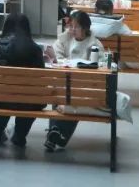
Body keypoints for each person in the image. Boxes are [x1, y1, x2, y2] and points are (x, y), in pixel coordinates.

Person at [43, 11, 106, 152]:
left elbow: (101, 65)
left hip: (83, 86)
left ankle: (55, 132)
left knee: (74, 100)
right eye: (70, 26)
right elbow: (56, 56)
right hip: (63, 81)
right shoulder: (64, 39)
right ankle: (56, 134)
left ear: (85, 28)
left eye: (76, 27)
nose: (72, 30)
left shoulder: (95, 45)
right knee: (59, 93)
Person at [0, 13, 45, 147]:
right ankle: (20, 134)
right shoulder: (35, 49)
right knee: (31, 96)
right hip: (28, 102)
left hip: (0, 100)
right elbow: (40, 79)